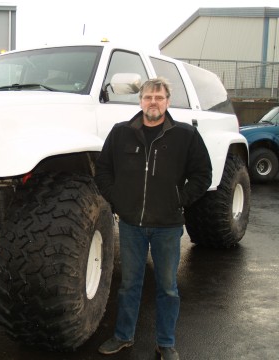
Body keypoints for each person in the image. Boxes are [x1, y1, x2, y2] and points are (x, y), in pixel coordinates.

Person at [94, 77, 212, 360]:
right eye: (148, 97)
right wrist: (117, 199)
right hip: (132, 225)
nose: (153, 103)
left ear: (168, 102)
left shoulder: (185, 135)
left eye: (159, 98)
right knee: (129, 286)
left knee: (168, 288)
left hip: (168, 227)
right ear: (140, 100)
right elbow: (102, 170)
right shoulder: (121, 132)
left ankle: (166, 343)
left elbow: (202, 174)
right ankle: (123, 337)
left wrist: (179, 199)